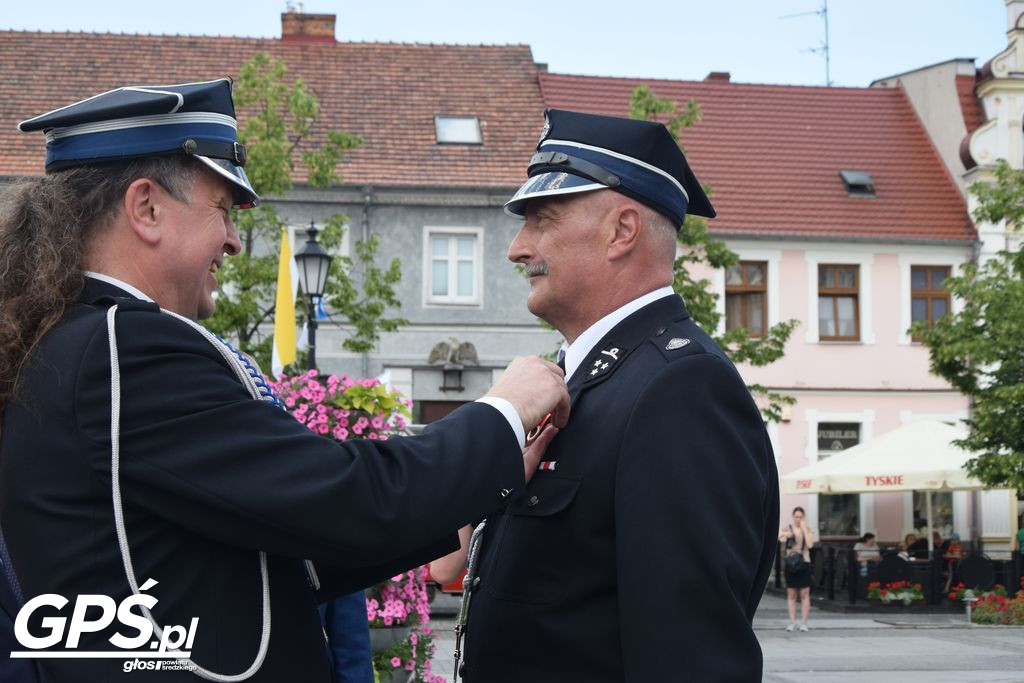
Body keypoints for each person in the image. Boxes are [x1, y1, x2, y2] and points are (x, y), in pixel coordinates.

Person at [0, 80, 570, 682]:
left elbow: (282, 554)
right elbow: (341, 496)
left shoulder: (78, 341)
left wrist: (470, 492)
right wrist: (505, 410)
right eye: (222, 208)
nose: (234, 240)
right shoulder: (125, 347)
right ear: (146, 208)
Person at [459, 109, 780, 682]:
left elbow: (689, 658)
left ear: (622, 231)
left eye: (541, 219)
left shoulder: (678, 388)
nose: (517, 247)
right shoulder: (588, 379)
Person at [779, 507, 814, 632]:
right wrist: (787, 534)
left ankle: (804, 623)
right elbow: (778, 535)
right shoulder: (788, 528)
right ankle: (792, 622)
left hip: (804, 562)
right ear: (793, 517)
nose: (798, 519)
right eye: (796, 516)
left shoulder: (807, 529)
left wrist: (804, 529)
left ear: (803, 517)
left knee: (804, 594)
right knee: (792, 594)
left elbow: (810, 545)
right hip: (791, 563)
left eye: (800, 517)